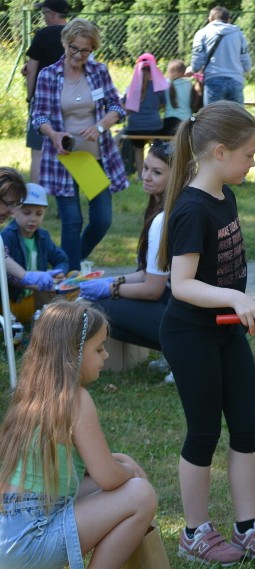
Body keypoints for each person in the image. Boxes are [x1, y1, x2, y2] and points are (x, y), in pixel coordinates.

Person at [156, 100, 255, 565]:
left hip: (227, 331)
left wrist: (239, 308)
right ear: (220, 152)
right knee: (204, 432)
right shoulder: (190, 209)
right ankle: (195, 532)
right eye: (249, 155)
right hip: (190, 335)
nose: (253, 164)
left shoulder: (226, 193)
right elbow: (181, 285)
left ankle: (247, 526)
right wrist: (235, 299)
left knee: (247, 426)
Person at [0, 300, 158, 569]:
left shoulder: (31, 396)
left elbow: (74, 471)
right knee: (140, 494)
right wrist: (129, 471)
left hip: (10, 535)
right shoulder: (75, 399)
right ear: (73, 354)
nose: (106, 355)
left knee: (106, 487)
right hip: (31, 539)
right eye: (98, 348)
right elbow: (108, 478)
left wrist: (120, 459)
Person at [31, 17, 129, 272]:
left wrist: (101, 126)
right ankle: (71, 276)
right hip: (64, 158)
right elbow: (38, 115)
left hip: (94, 159)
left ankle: (66, 263)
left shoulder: (99, 71)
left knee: (102, 219)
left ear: (92, 49)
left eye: (85, 50)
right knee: (71, 221)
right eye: (74, 47)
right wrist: (52, 134)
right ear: (65, 42)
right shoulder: (48, 75)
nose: (78, 54)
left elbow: (117, 107)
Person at [79, 140, 172, 379]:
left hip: (184, 316)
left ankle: (181, 353)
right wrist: (115, 280)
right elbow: (147, 272)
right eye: (146, 168)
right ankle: (177, 352)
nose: (147, 177)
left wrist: (110, 289)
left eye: (157, 172)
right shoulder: (167, 206)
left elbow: (153, 289)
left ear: (177, 175)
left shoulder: (165, 219)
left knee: (96, 309)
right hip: (183, 307)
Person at [2, 183, 69, 322]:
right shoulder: (7, 237)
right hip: (11, 301)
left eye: (39, 214)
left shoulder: (43, 236)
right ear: (15, 211)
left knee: (74, 282)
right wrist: (32, 282)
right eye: (27, 213)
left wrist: (60, 272)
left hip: (34, 298)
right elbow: (6, 274)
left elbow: (61, 258)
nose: (33, 218)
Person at [22, 0, 69, 183]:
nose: (43, 17)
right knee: (66, 148)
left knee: (38, 152)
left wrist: (30, 96)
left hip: (44, 98)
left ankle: (36, 198)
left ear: (50, 13)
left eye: (43, 13)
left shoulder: (43, 34)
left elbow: (32, 70)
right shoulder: (77, 33)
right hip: (70, 99)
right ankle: (64, 195)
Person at [187, 6, 252, 106]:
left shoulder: (202, 33)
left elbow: (197, 62)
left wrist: (193, 69)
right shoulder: (239, 34)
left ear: (210, 19)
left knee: (213, 118)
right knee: (237, 118)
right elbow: (246, 62)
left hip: (213, 80)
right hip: (236, 80)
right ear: (228, 20)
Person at [123, 53, 167, 178]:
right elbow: (162, 105)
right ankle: (155, 172)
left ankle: (140, 175)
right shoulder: (159, 87)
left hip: (134, 127)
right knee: (155, 145)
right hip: (154, 126)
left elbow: (128, 108)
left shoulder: (132, 87)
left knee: (138, 149)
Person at [162, 59, 192, 135]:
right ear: (183, 72)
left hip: (169, 122)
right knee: (194, 119)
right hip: (187, 121)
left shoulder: (164, 84)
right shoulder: (189, 84)